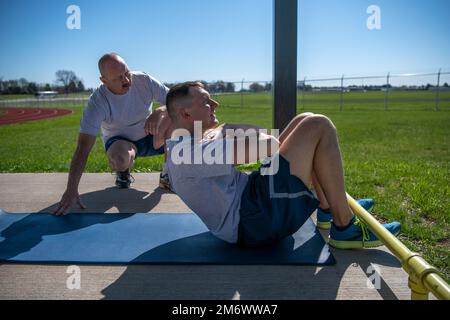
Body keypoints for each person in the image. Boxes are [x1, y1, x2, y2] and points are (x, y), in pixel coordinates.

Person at [164, 81, 401, 248]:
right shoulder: (190, 152)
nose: (215, 103)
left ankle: (329, 206)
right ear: (185, 114)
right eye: (206, 101)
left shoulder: (186, 143)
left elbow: (263, 136)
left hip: (252, 204)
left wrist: (221, 130)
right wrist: (225, 130)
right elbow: (269, 144)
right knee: (318, 125)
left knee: (304, 118)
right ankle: (345, 226)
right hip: (253, 221)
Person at [54, 53, 170, 215]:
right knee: (120, 159)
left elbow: (176, 100)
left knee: (181, 121)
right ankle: (122, 171)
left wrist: (160, 110)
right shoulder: (98, 102)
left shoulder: (144, 80)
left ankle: (168, 175)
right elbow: (83, 148)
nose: (127, 80)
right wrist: (71, 189)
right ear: (104, 80)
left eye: (127, 73)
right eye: (118, 78)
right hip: (122, 142)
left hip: (151, 134)